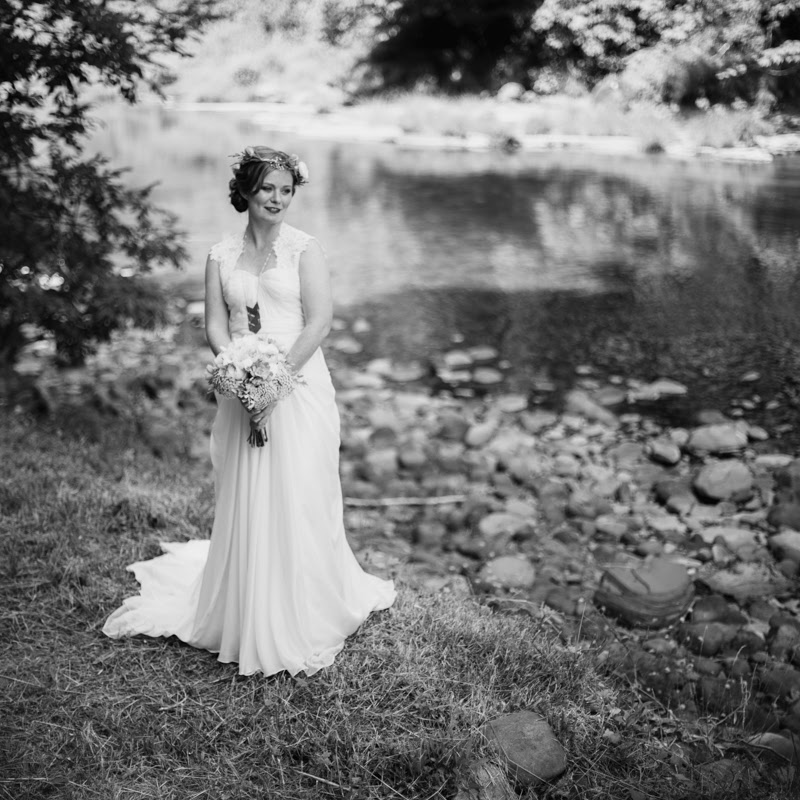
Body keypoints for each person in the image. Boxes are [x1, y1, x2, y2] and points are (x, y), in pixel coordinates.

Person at [103, 146, 396, 676]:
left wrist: (276, 381)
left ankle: (303, 607)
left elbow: (319, 322)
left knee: (299, 489)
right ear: (245, 191)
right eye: (267, 189)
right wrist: (239, 373)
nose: (277, 199)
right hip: (239, 384)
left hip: (300, 383)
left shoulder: (306, 250)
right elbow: (216, 326)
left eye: (286, 190)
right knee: (247, 489)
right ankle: (244, 606)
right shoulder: (219, 255)